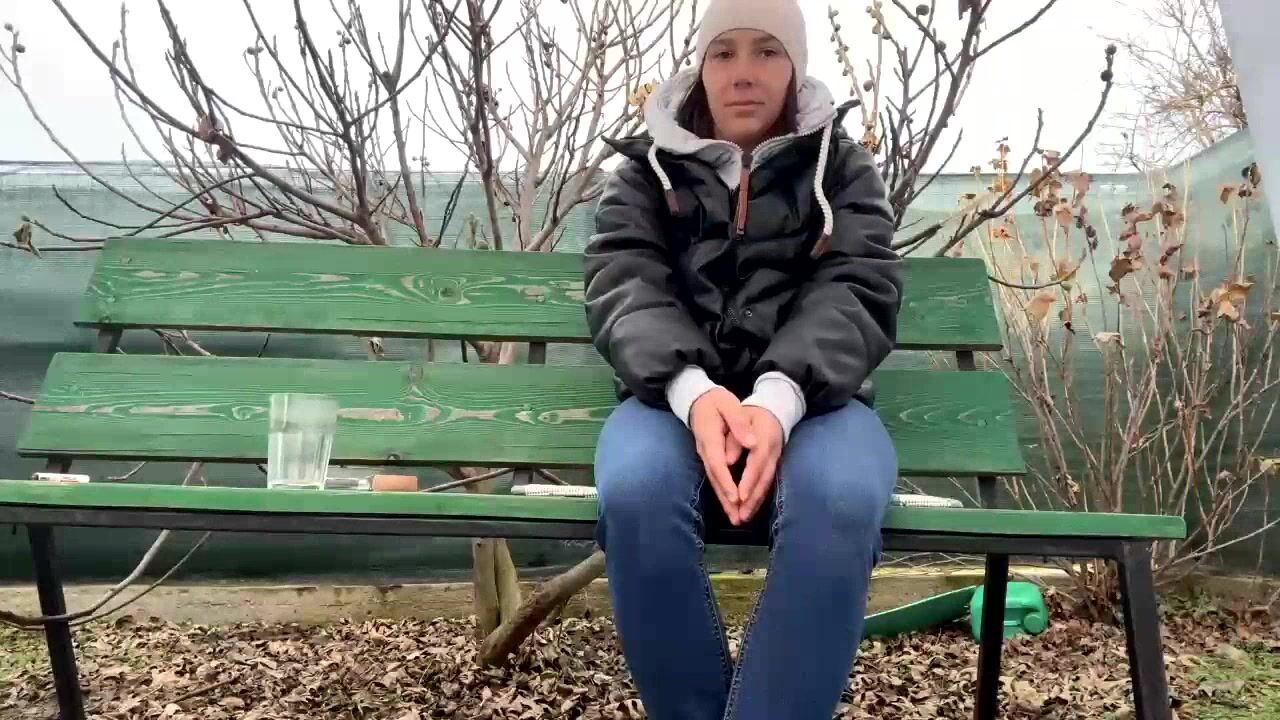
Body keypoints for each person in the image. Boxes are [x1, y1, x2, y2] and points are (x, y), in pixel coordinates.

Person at [583, 0, 903, 718]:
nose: (744, 72)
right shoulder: (643, 173)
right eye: (724, 52)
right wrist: (694, 392)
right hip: (668, 399)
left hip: (817, 402)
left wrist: (778, 398)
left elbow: (859, 285)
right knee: (636, 494)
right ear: (701, 68)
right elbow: (624, 284)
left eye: (768, 50)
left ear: (795, 67)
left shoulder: (843, 170)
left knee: (840, 501)